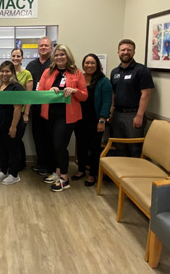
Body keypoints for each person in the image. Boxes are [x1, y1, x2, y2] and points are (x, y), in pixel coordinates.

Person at [38, 44, 88, 192]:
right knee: (52, 145)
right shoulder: (48, 72)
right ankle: (58, 172)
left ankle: (64, 178)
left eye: (62, 54)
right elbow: (40, 91)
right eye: (57, 55)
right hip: (49, 115)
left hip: (67, 116)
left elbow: (84, 96)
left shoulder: (77, 73)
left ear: (68, 56)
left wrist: (74, 91)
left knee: (59, 145)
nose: (59, 57)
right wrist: (49, 90)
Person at [109, 39, 154, 157]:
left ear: (134, 52)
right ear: (118, 52)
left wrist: (139, 115)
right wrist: (112, 112)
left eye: (129, 50)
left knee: (134, 148)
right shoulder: (114, 72)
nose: (125, 52)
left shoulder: (141, 70)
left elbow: (146, 94)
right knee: (119, 146)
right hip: (118, 114)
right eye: (123, 50)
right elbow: (113, 94)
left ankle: (134, 174)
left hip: (133, 115)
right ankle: (120, 174)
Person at [73, 54, 112, 186]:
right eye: (86, 63)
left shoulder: (104, 81)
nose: (89, 66)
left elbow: (107, 101)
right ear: (83, 65)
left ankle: (92, 174)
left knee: (94, 148)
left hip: (96, 120)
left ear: (98, 66)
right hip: (79, 118)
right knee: (81, 145)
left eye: (92, 63)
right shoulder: (79, 78)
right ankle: (81, 170)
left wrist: (102, 120)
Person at [0, 61, 25, 185]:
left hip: (10, 124)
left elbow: (17, 108)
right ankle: (4, 171)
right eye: (2, 71)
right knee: (2, 149)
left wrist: (13, 127)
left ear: (12, 73)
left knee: (13, 149)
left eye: (7, 71)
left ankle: (14, 174)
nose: (4, 74)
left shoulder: (17, 87)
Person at [26, 36, 52, 175]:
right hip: (35, 108)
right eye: (41, 45)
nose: (43, 48)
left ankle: (49, 165)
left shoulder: (54, 64)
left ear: (51, 48)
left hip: (50, 108)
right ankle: (41, 162)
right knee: (37, 136)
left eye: (46, 46)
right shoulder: (31, 65)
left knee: (49, 137)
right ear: (38, 48)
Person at [10, 47, 33, 170]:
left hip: (22, 111)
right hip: (10, 111)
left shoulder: (27, 74)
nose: (16, 58)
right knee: (11, 138)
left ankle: (20, 164)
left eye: (18, 56)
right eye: (13, 56)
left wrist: (26, 114)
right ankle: (13, 162)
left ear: (22, 58)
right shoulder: (7, 72)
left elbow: (28, 96)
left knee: (17, 138)